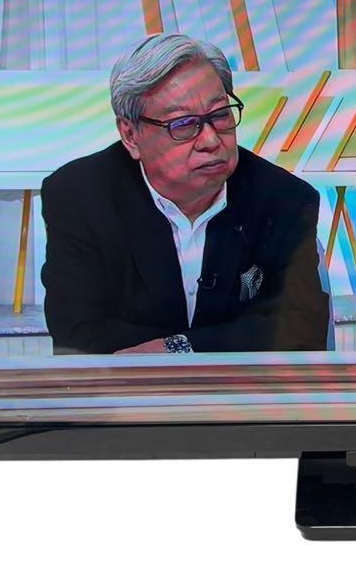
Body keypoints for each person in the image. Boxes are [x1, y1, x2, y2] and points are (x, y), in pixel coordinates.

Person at [40, 33, 330, 354]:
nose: (210, 140)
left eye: (220, 115)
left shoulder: (285, 199)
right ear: (131, 135)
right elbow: (76, 331)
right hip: (124, 386)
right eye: (183, 124)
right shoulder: (78, 196)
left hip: (241, 385)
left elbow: (301, 327)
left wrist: (177, 348)